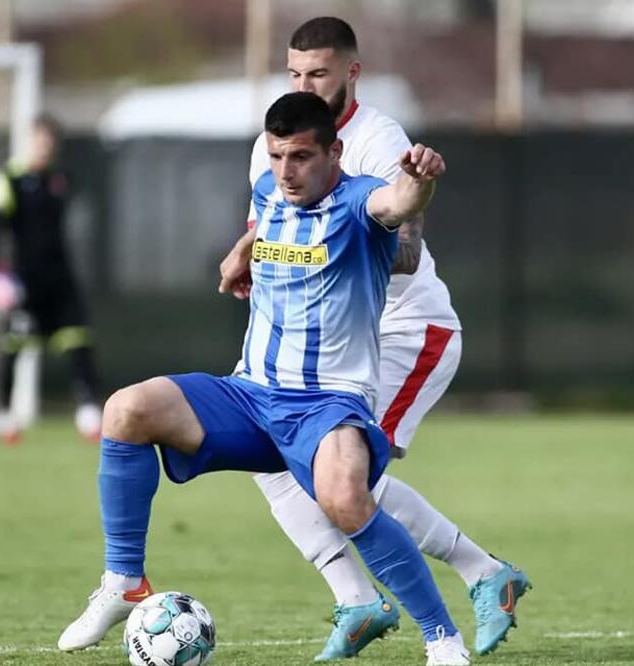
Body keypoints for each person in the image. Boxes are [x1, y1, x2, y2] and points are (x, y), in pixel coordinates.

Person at [59, 92, 471, 665]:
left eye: (300, 156)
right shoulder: (269, 193)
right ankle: (125, 580)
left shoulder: (360, 202)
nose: (286, 170)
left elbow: (398, 202)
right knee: (126, 410)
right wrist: (242, 253)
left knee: (345, 497)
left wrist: (419, 180)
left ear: (334, 153)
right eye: (277, 156)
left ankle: (442, 639)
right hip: (251, 395)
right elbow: (272, 224)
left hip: (327, 405)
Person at [216, 18, 529, 660]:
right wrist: (249, 252)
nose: (305, 85)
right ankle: (359, 598)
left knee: (339, 474)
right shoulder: (277, 138)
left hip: (403, 330)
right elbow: (272, 223)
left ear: (351, 73)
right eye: (295, 73)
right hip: (323, 342)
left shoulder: (379, 140)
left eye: (319, 73)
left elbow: (404, 253)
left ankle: (479, 572)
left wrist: (328, 247)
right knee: (273, 461)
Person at [0, 114, 102, 445]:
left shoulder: (60, 179)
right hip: (24, 281)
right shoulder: (7, 179)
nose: (44, 149)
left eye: (50, 143)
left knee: (80, 342)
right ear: (29, 141)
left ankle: (89, 413)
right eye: (40, 141)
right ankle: (6, 416)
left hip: (60, 278)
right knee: (13, 348)